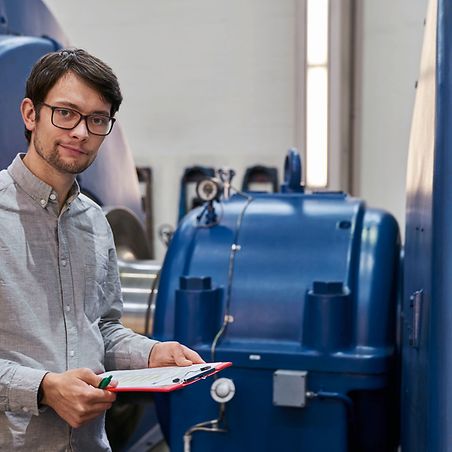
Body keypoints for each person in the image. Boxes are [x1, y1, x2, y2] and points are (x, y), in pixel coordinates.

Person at [0, 48, 203, 451]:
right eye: (66, 113)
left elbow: (101, 330)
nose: (81, 132)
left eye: (97, 120)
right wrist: (42, 388)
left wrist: (152, 352)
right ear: (30, 114)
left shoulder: (93, 222)